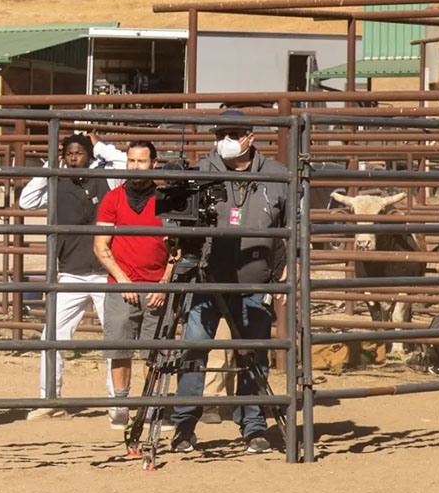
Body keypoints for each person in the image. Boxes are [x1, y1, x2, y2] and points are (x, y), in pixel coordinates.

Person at [170, 109, 288, 455]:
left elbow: (292, 228)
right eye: (221, 133)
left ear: (250, 137)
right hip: (207, 277)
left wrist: (287, 268)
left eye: (233, 133)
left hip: (255, 280)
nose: (225, 140)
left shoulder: (277, 175)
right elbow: (180, 219)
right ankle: (183, 426)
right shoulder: (202, 171)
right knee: (193, 349)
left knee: (254, 352)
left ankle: (253, 426)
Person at [18, 133, 113, 418]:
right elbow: (26, 201)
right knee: (53, 336)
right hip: (71, 272)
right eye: (69, 153)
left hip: (106, 271)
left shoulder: (108, 177)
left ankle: (116, 401)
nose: (73, 158)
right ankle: (49, 400)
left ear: (89, 155)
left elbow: (123, 164)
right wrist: (50, 167)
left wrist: (102, 149)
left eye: (79, 153)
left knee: (115, 338)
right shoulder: (55, 181)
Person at [93, 141, 174, 432]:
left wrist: (164, 282)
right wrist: (122, 281)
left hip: (156, 287)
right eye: (131, 161)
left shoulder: (167, 199)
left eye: (141, 161)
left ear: (154, 163)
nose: (135, 167)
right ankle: (121, 405)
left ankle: (152, 407)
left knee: (156, 351)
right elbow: (100, 245)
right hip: (121, 285)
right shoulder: (113, 199)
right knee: (120, 348)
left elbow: (177, 248)